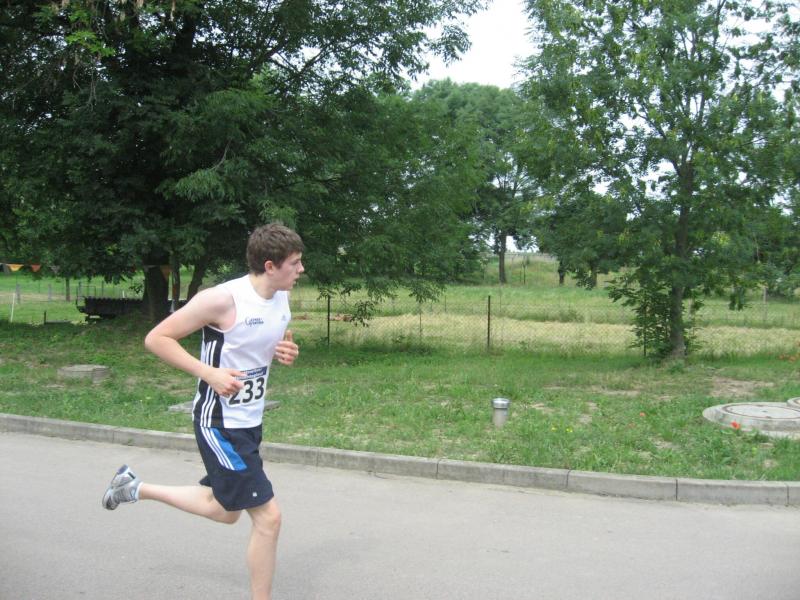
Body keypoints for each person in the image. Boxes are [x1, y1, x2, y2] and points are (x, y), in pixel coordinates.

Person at [102, 223, 305, 600]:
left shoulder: (281, 297)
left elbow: (260, 345)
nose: (301, 269)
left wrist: (284, 352)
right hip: (219, 423)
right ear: (270, 265)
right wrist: (208, 372)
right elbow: (156, 338)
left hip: (250, 420)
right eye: (294, 263)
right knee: (269, 518)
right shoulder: (221, 300)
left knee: (224, 510)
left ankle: (132, 488)